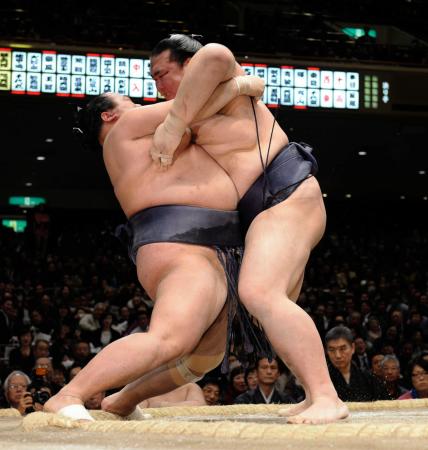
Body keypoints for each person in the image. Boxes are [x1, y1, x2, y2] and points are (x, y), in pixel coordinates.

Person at [44, 63, 264, 421]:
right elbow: (197, 102)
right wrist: (241, 84)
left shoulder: (152, 139)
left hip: (208, 246)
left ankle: (124, 399)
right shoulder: (125, 130)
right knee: (169, 339)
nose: (139, 105)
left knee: (203, 358)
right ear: (110, 114)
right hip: (182, 244)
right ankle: (70, 394)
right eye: (129, 101)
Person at [148, 34, 346, 424]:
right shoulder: (206, 100)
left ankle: (327, 396)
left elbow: (217, 54)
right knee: (271, 306)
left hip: (283, 191)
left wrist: (175, 123)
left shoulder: (211, 73)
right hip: (264, 210)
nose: (157, 84)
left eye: (162, 73)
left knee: (259, 291)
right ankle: (314, 391)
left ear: (187, 64)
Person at [325, 326, 390, 402]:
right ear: (326, 351)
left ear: (352, 348)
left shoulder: (369, 379)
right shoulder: (321, 381)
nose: (338, 355)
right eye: (332, 350)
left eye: (342, 349)